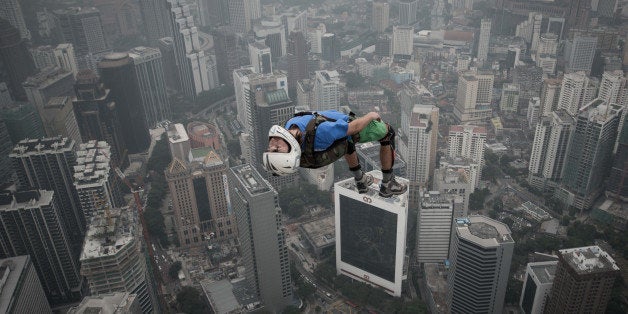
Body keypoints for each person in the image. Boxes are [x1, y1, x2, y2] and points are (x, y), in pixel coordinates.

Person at [263, 110, 407, 197]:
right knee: (388, 132)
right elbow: (354, 128)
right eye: (277, 149)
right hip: (349, 125)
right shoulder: (322, 132)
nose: (272, 145)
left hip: (337, 126)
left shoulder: (287, 130)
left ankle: (360, 180)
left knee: (345, 141)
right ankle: (388, 184)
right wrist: (371, 115)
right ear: (290, 151)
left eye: (270, 149)